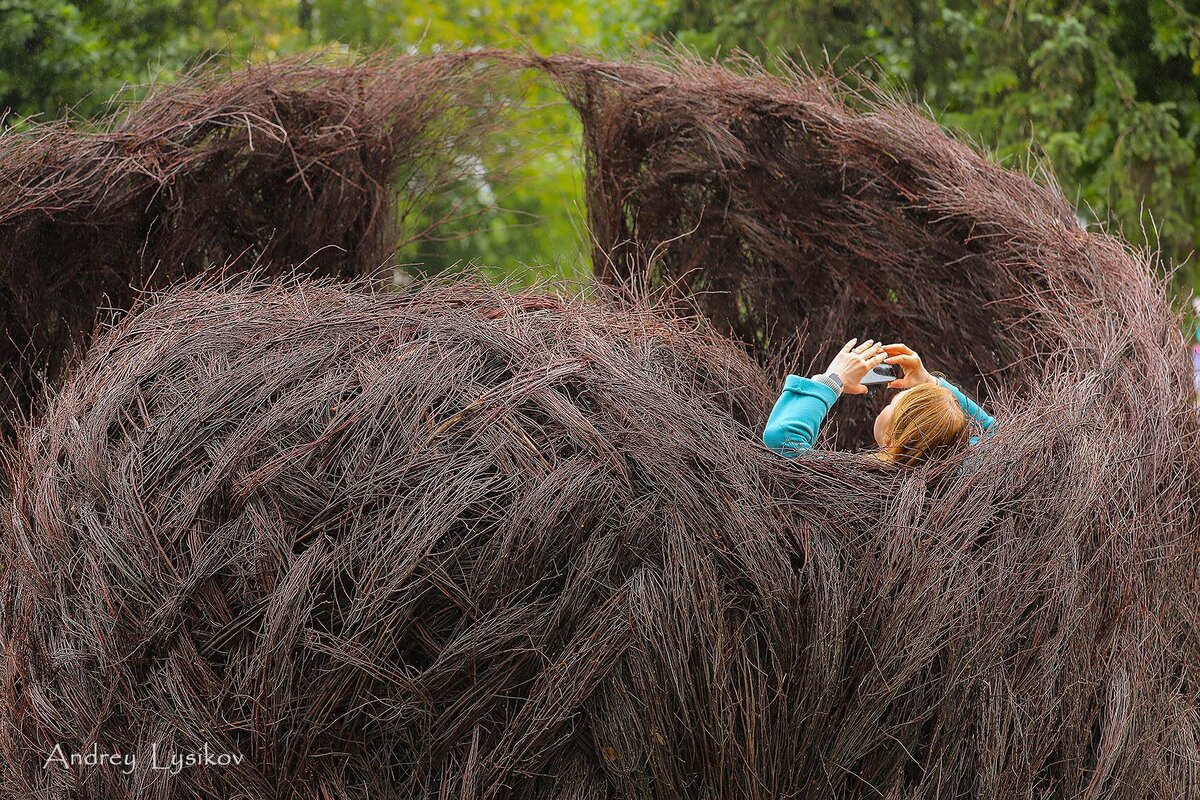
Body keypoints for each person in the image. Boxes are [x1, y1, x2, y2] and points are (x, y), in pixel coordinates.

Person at [762, 338, 995, 465]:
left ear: (893, 438)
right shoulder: (962, 468)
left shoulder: (862, 481)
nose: (887, 404)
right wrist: (930, 383)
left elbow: (782, 440)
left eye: (892, 404)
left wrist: (833, 380)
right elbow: (995, 432)